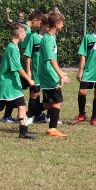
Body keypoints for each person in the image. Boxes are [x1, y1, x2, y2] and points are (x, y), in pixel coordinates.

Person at [32, 9, 67, 137]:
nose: (63, 25)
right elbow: (51, 60)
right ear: (57, 24)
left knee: (48, 103)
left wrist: (60, 73)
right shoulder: (47, 40)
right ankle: (52, 129)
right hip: (48, 74)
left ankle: (26, 116)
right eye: (62, 22)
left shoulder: (51, 37)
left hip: (50, 73)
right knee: (57, 101)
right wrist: (60, 74)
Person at [24, 9, 46, 123]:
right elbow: (27, 55)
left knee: (51, 94)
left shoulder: (51, 38)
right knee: (35, 92)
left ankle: (48, 116)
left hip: (48, 72)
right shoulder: (33, 36)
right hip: (37, 71)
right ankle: (30, 115)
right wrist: (28, 71)